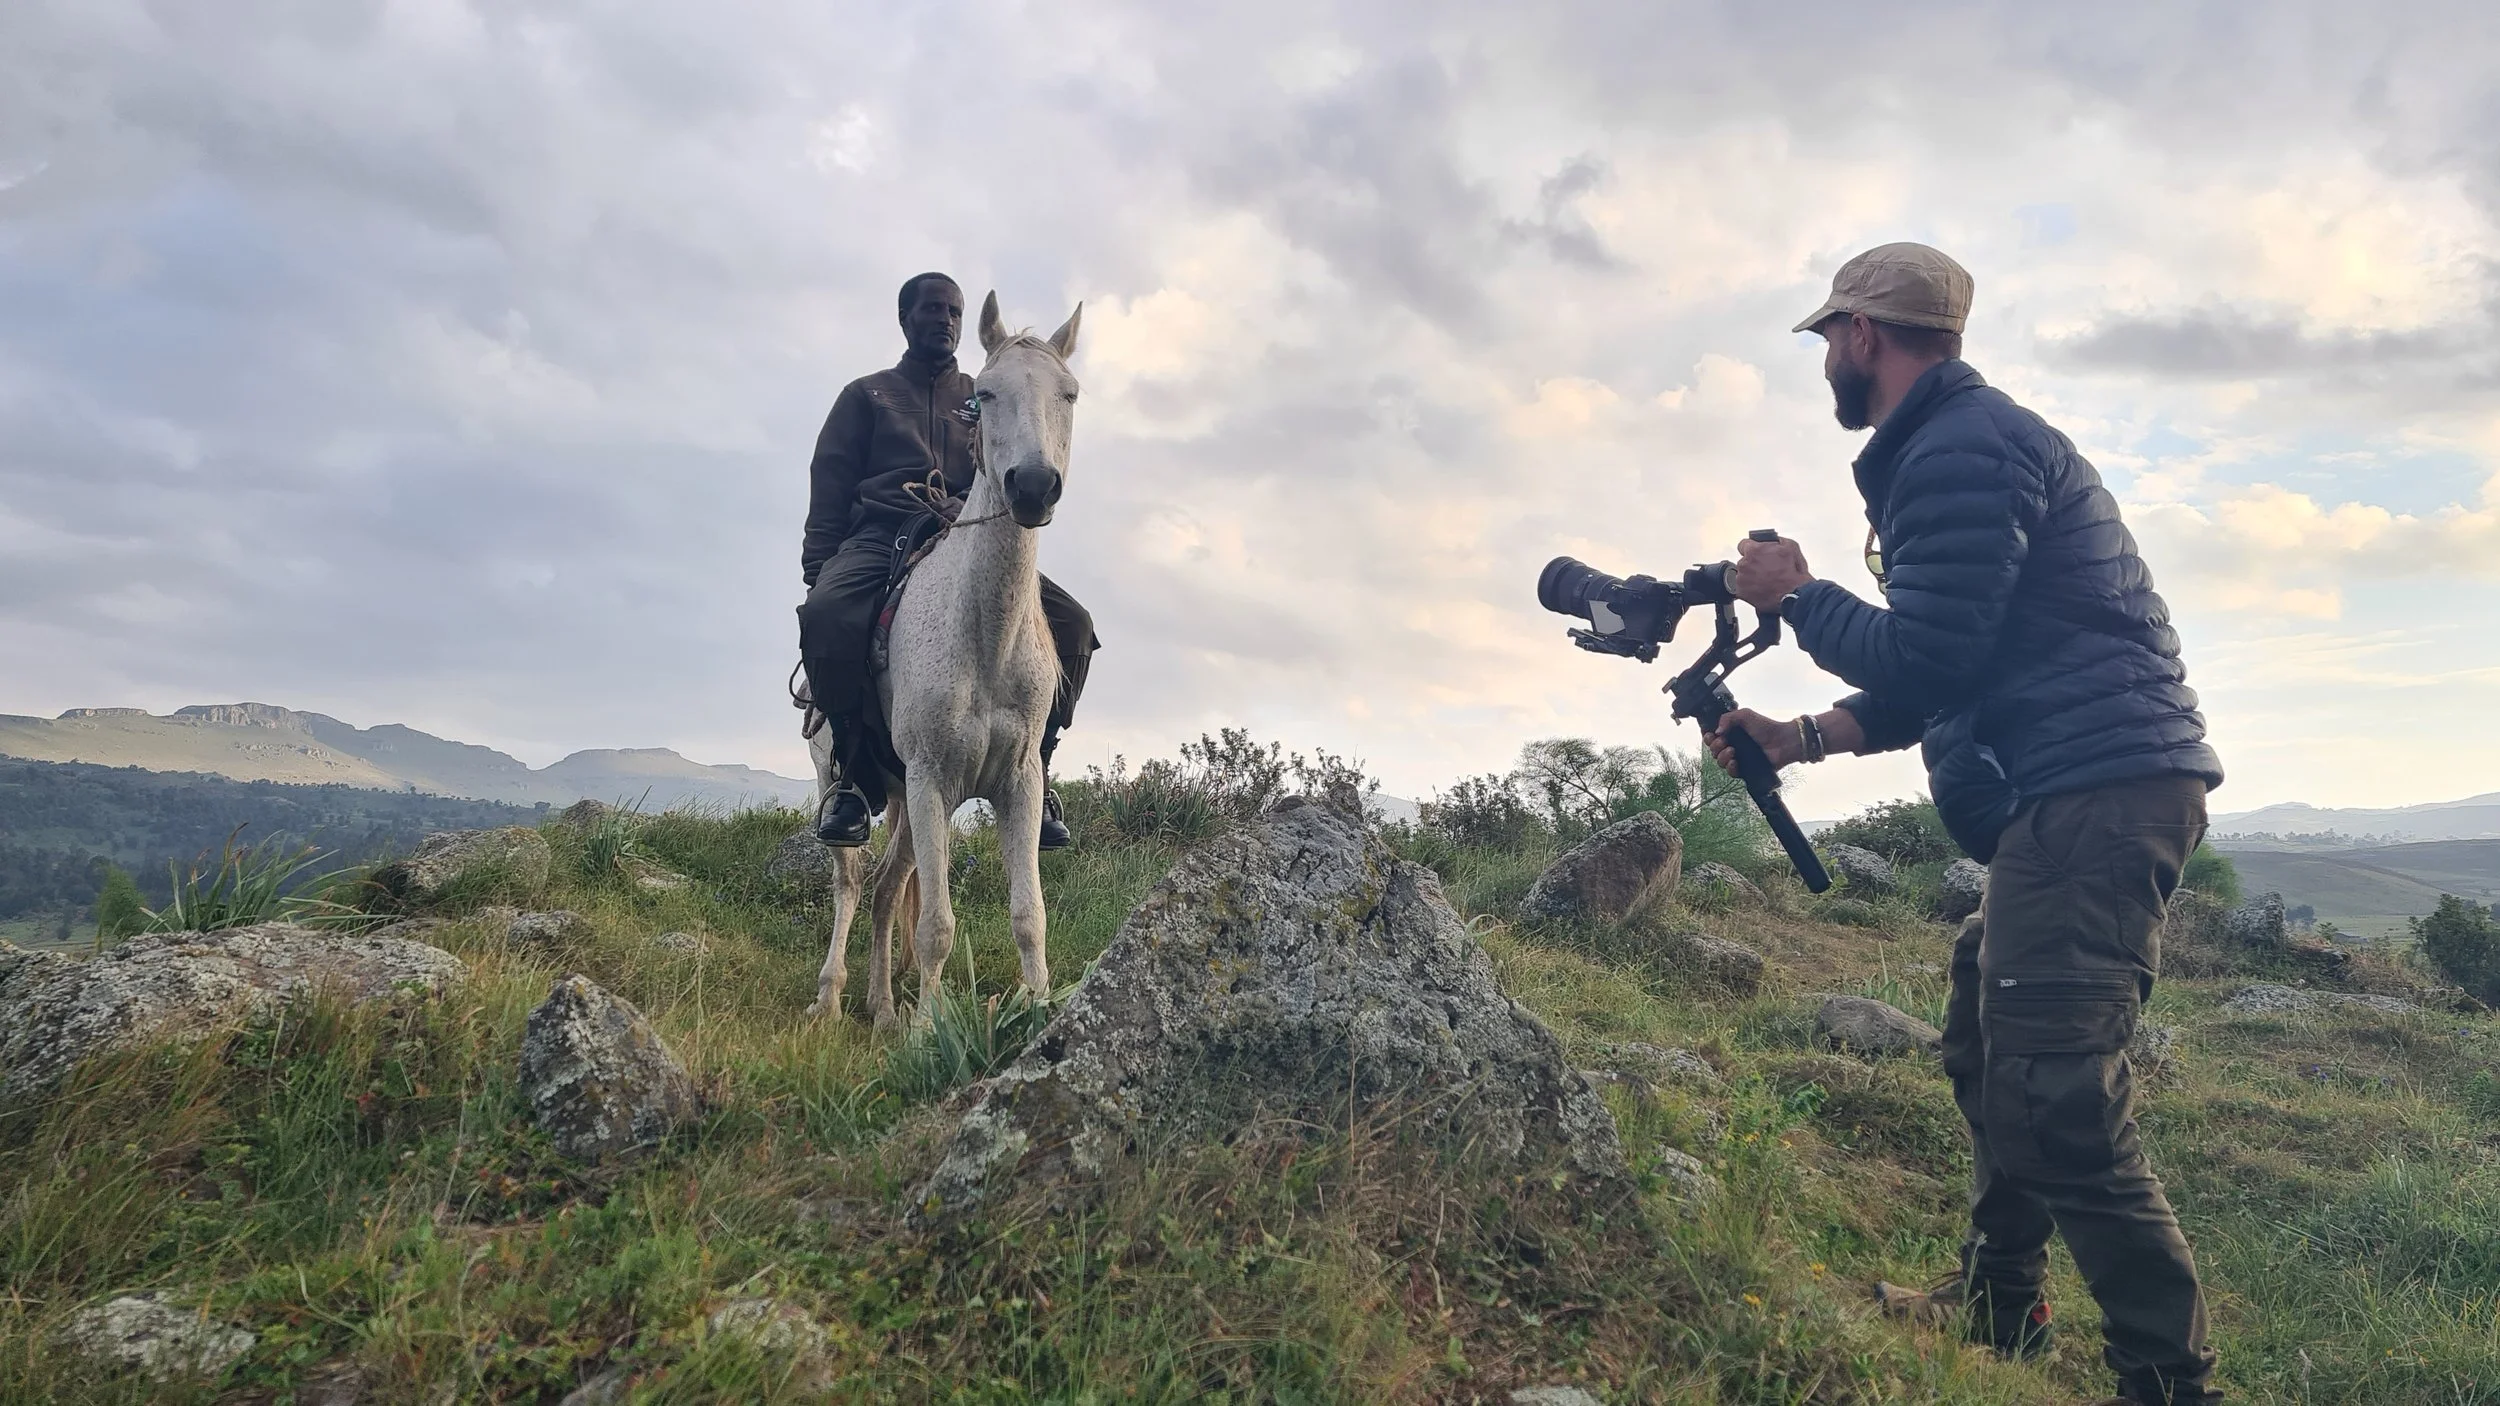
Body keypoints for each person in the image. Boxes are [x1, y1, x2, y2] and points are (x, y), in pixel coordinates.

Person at [1708, 243, 2227, 1406]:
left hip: (2093, 792)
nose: (1826, 361)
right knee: (1988, 1031)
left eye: (1828, 338)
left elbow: (1933, 651)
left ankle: (2167, 1381)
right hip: (2076, 787)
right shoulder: (1949, 446)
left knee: (2056, 1087)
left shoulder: (1957, 450)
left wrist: (1794, 597)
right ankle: (2003, 1303)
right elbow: (1949, 667)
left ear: (1862, 336)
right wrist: (1802, 735)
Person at [797, 271, 1099, 848]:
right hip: (880, 534)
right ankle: (850, 781)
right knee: (828, 619)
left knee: (1074, 625)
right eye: (932, 310)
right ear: (905, 319)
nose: (945, 320)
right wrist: (821, 571)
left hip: (965, 533)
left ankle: (1038, 764)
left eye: (954, 312)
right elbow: (830, 484)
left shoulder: (985, 390)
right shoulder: (867, 395)